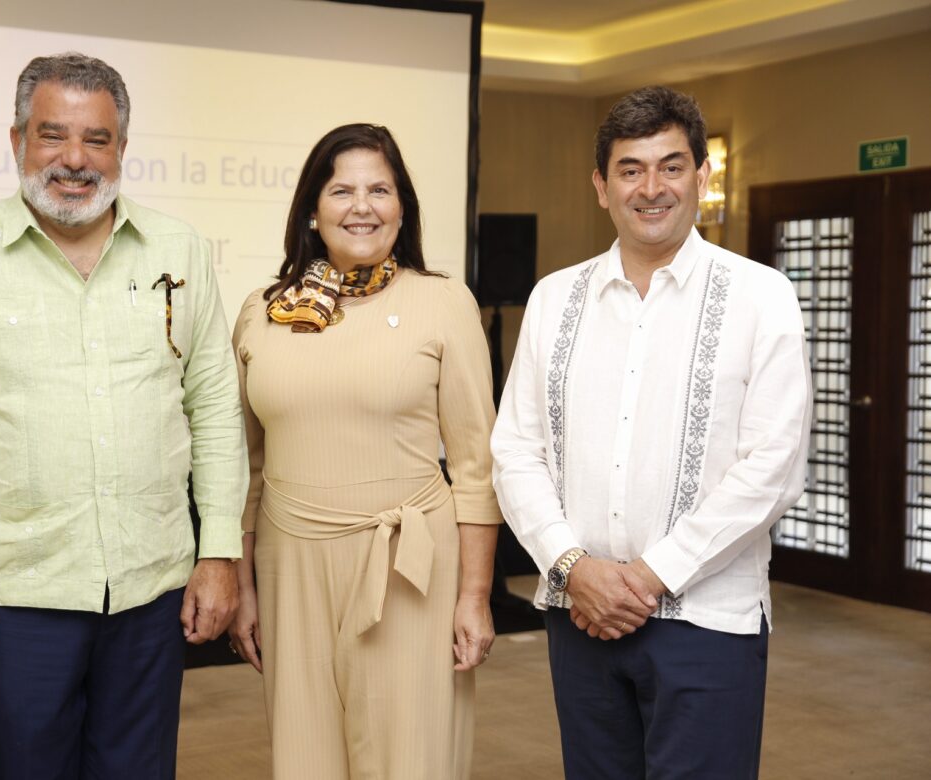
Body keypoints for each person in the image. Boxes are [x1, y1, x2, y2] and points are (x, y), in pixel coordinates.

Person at [0, 53, 247, 778]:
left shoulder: (178, 250)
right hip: (17, 602)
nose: (75, 160)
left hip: (151, 595)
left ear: (122, 147)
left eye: (98, 139)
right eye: (53, 136)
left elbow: (213, 407)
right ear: (16, 139)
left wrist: (219, 552)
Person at [490, 85, 811, 779]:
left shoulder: (762, 296)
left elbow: (774, 465)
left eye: (671, 166)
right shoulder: (554, 298)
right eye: (630, 170)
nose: (652, 188)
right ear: (601, 187)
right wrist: (575, 569)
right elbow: (515, 450)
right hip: (579, 617)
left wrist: (645, 577)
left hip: (709, 623)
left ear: (700, 174)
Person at [227, 123, 501, 779]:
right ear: (313, 212)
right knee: (306, 756)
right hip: (289, 561)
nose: (362, 205)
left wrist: (475, 594)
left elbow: (474, 466)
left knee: (410, 758)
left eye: (380, 189)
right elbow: (244, 469)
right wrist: (242, 585)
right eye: (342, 189)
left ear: (401, 207)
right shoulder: (263, 311)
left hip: (409, 567)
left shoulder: (442, 302)